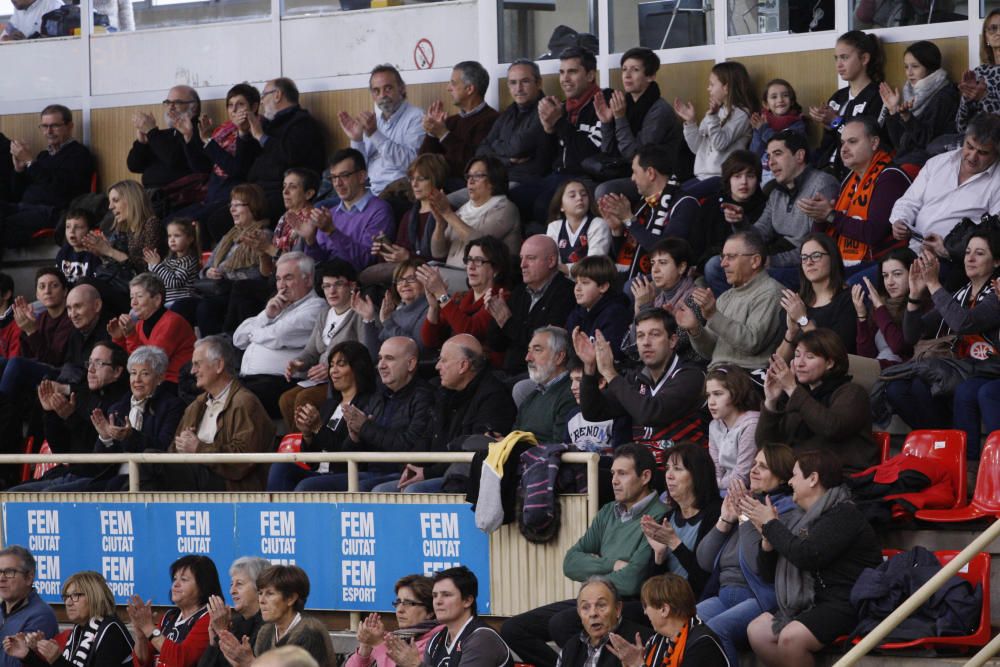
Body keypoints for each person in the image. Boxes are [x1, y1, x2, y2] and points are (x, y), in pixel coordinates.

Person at [500, 445, 668, 667]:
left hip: (632, 603)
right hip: (598, 597)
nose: (614, 481)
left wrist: (598, 569)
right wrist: (612, 564)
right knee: (513, 629)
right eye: (613, 474)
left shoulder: (659, 515)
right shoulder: (608, 511)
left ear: (645, 476)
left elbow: (631, 581)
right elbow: (570, 563)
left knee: (561, 623)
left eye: (623, 474)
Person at [744, 449, 882, 667]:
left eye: (795, 475)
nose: (789, 482)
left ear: (813, 479)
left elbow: (807, 555)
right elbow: (768, 574)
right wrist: (768, 540)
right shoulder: (801, 518)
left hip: (848, 601)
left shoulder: (843, 514)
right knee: (757, 631)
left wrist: (771, 525)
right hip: (813, 601)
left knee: (791, 637)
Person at [894, 232, 1000, 453]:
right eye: (968, 252)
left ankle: (966, 465)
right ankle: (942, 451)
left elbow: (963, 322)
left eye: (979, 253)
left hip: (985, 368)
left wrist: (933, 284)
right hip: (957, 367)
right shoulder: (960, 295)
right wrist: (914, 296)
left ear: (996, 261)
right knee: (899, 389)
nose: (970, 258)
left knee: (968, 390)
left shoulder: (995, 295)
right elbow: (913, 335)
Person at [695, 444, 799, 666]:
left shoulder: (786, 512)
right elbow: (704, 560)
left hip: (759, 596)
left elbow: (756, 566)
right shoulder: (746, 503)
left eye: (763, 466)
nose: (753, 470)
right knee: (684, 626)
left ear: (782, 477)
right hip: (724, 594)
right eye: (753, 464)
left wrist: (745, 519)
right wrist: (726, 519)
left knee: (716, 631)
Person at [371, 335, 516, 493]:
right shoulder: (443, 393)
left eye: (443, 360)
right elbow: (427, 438)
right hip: (435, 472)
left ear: (463, 365)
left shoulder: (493, 397)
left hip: (466, 480)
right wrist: (411, 466)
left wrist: (427, 473)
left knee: (413, 491)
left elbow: (476, 451)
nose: (437, 366)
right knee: (380, 490)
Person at [703, 131, 839, 294]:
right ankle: (729, 314)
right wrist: (739, 222)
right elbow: (759, 235)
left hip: (803, 266)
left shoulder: (822, 185)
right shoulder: (776, 192)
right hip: (772, 259)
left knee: (750, 276)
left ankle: (740, 315)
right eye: (768, 157)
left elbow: (816, 248)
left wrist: (771, 261)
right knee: (713, 268)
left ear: (799, 156)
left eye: (777, 154)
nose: (771, 163)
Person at [36, 346, 185, 492]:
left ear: (159, 378)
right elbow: (100, 464)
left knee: (50, 495)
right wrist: (105, 438)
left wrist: (130, 436)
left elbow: (164, 448)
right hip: (109, 480)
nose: (137, 380)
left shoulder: (172, 406)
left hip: (146, 483)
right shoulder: (119, 408)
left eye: (145, 374)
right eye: (133, 373)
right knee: (35, 494)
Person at [155, 336, 275, 492]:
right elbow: (173, 451)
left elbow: (243, 461)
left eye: (197, 364)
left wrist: (199, 448)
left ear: (219, 365)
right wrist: (182, 447)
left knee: (152, 465)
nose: (192, 371)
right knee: (146, 464)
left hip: (229, 485)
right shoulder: (195, 405)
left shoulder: (245, 402)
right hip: (193, 476)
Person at [575, 309, 706, 452]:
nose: (646, 342)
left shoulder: (691, 375)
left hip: (683, 469)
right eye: (640, 336)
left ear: (672, 341)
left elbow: (652, 413)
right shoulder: (636, 378)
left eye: (655, 335)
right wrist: (589, 368)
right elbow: (593, 412)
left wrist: (610, 373)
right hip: (645, 470)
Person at [801, 116, 910, 284]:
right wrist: (820, 218)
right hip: (842, 262)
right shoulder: (849, 180)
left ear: (874, 143)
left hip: (880, 263)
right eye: (842, 143)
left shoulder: (890, 177)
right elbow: (820, 237)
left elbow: (873, 233)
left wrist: (830, 215)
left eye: (852, 142)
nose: (843, 149)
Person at [758, 328, 876, 474]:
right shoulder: (799, 394)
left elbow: (832, 428)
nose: (799, 363)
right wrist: (771, 402)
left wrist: (792, 389)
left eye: (810, 357)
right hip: (798, 478)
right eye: (797, 355)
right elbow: (766, 447)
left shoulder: (853, 393)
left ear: (830, 363)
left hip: (841, 479)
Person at [266, 341, 377, 491]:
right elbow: (311, 462)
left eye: (341, 364)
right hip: (319, 474)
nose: (333, 371)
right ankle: (275, 512)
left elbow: (344, 455)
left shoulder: (369, 405)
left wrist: (318, 428)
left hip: (346, 475)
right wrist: (307, 435)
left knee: (306, 486)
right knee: (281, 468)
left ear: (357, 367)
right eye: (331, 365)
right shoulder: (329, 405)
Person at [889, 112, 1000, 259]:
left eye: (983, 153)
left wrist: (952, 251)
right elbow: (910, 201)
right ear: (964, 139)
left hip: (954, 262)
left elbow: (993, 236)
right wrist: (900, 220)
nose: (972, 157)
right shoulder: (939, 162)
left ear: (997, 153)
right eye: (969, 146)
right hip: (913, 249)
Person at [515, 46, 606, 225]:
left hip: (585, 178)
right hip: (557, 176)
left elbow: (588, 154)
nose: (565, 79)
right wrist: (548, 130)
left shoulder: (603, 103)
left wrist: (559, 122)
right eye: (562, 72)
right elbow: (543, 165)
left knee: (544, 205)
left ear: (590, 75)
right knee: (513, 198)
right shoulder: (562, 107)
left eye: (572, 72)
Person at [232, 252, 327, 417]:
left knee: (234, 398)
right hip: (252, 380)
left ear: (308, 279)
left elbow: (278, 336)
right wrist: (267, 315)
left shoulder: (316, 307)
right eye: (278, 279)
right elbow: (238, 339)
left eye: (288, 278)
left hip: (281, 382)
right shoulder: (278, 306)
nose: (282, 285)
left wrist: (255, 333)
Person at [676, 230, 785, 372]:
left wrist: (714, 315)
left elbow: (752, 343)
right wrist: (695, 329)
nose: (723, 264)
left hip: (746, 376)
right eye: (723, 257)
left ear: (755, 261)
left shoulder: (771, 292)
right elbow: (710, 352)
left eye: (731, 257)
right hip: (718, 375)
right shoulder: (726, 297)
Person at [278, 259, 366, 427]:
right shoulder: (324, 314)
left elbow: (366, 355)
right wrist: (298, 363)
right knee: (286, 400)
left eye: (338, 284)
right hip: (321, 381)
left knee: (305, 399)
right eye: (326, 286)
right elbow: (311, 351)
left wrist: (331, 369)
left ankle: (312, 446)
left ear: (352, 286)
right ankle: (298, 446)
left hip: (345, 381)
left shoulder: (361, 313)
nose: (331, 291)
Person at [598, 146, 700, 282]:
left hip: (668, 283)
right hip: (635, 280)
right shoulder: (644, 204)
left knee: (630, 287)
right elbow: (626, 259)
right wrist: (617, 231)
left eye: (635, 172)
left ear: (651, 173)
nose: (632, 178)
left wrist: (629, 220)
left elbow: (667, 252)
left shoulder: (685, 203)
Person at [594, 47, 683, 201]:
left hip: (654, 177)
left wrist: (620, 118)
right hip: (626, 172)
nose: (627, 75)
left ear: (651, 76)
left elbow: (635, 156)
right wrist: (606, 122)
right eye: (624, 70)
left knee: (605, 191)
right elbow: (607, 151)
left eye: (635, 70)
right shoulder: (624, 103)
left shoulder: (659, 110)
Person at [177, 83, 262, 243]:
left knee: (186, 225)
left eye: (240, 104)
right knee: (170, 221)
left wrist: (211, 142)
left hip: (231, 197)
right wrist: (189, 137)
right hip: (212, 195)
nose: (234, 110)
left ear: (255, 106)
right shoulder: (224, 130)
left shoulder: (257, 131)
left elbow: (236, 170)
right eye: (230, 105)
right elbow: (201, 168)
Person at [4, 105, 95, 247]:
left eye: (54, 126)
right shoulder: (43, 156)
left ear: (69, 126)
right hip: (26, 207)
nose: (49, 131)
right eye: (44, 126)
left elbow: (59, 191)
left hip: (56, 213)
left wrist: (30, 162)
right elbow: (17, 194)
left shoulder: (79, 154)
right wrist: (19, 170)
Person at [485, 235, 575, 377]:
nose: (522, 265)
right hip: (509, 372)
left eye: (531, 258)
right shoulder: (520, 291)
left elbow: (545, 345)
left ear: (551, 261)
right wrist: (496, 316)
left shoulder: (566, 293)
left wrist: (507, 322)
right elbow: (496, 344)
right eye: (521, 258)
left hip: (540, 376)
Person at [4, 570, 134, 667]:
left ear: (96, 596)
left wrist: (57, 660)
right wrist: (27, 655)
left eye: (76, 595)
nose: (68, 602)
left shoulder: (111, 629)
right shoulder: (79, 629)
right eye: (66, 597)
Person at [642, 443, 723, 597]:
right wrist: (659, 554)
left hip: (694, 603)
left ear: (698, 474)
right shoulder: (668, 517)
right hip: (664, 602)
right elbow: (649, 588)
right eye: (667, 468)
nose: (668, 475)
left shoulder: (716, 514)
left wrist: (674, 543)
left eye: (677, 469)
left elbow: (704, 579)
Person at [428, 156, 521, 291]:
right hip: (453, 273)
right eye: (468, 176)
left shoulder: (505, 208)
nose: (470, 181)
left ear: (494, 180)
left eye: (477, 176)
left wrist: (448, 213)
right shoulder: (463, 210)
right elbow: (438, 252)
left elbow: (480, 243)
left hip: (484, 281)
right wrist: (440, 224)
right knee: (414, 276)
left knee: (420, 278)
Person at [387, 567, 509, 667]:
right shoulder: (436, 640)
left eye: (446, 595)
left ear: (467, 600)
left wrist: (415, 665)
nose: (438, 601)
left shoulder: (482, 639)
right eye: (435, 595)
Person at [419, 236, 512, 368]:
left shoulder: (501, 298)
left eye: (479, 261)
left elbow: (470, 331)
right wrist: (434, 307)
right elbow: (429, 341)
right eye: (469, 260)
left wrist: (441, 294)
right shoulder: (460, 298)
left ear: (496, 269)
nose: (471, 266)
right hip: (452, 367)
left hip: (483, 370)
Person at [243, 78, 327, 222]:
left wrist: (261, 136)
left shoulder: (302, 123)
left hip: (283, 192)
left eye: (264, 96)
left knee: (218, 219)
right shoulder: (271, 123)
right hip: (259, 189)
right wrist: (243, 132)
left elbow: (288, 156)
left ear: (277, 95)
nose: (262, 102)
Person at [471, 59, 548, 213]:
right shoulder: (508, 112)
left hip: (525, 181)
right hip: (496, 180)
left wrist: (497, 145)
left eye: (524, 81)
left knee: (482, 208)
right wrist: (507, 159)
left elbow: (518, 148)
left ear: (538, 83)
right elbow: (481, 151)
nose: (518, 88)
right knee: (448, 202)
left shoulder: (546, 108)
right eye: (513, 83)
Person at [219, 565, 334, 667]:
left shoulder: (310, 633)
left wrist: (251, 663)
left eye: (270, 594)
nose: (262, 600)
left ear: (291, 598)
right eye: (260, 593)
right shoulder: (265, 632)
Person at [302, 148, 395, 272]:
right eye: (333, 177)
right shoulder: (331, 213)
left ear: (362, 176)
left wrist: (332, 232)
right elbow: (317, 263)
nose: (337, 183)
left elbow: (365, 261)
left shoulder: (379, 211)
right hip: (326, 283)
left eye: (344, 176)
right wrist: (310, 240)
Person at [196, 183, 272, 336]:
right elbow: (204, 269)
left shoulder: (264, 235)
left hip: (241, 291)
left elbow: (261, 275)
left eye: (238, 205)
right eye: (231, 205)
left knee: (209, 306)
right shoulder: (229, 236)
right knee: (196, 306)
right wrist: (209, 272)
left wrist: (226, 274)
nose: (232, 209)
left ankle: (224, 341)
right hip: (220, 289)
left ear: (253, 206)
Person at [82, 180, 166, 315]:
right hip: (128, 289)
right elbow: (123, 266)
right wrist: (103, 253)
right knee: (84, 289)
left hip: (145, 293)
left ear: (131, 200)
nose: (110, 207)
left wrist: (109, 251)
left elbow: (146, 271)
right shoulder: (127, 231)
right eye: (110, 201)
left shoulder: (152, 224)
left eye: (115, 200)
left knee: (86, 286)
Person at [810, 30, 886, 179]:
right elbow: (826, 144)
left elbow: (869, 141)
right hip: (825, 169)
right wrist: (826, 124)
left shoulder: (879, 96)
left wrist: (835, 122)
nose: (839, 65)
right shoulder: (838, 97)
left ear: (864, 59)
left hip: (853, 175)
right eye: (836, 58)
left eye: (844, 57)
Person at [607, 574, 727, 667]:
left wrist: (638, 664)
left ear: (664, 610)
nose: (644, 612)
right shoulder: (657, 640)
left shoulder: (703, 644)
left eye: (646, 606)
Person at [341, 64, 425, 196]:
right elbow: (360, 168)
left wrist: (375, 134)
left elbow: (412, 164)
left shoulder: (417, 117)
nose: (382, 95)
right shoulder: (374, 120)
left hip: (399, 191)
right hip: (369, 190)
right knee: (324, 206)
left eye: (388, 88)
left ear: (402, 88)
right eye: (376, 91)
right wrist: (357, 140)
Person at [675, 61, 756, 196]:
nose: (708, 89)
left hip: (722, 178)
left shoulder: (741, 114)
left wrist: (713, 118)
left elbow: (720, 144)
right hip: (702, 176)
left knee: (683, 197)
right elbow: (697, 148)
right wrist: (691, 122)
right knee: (671, 195)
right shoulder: (716, 111)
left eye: (712, 84)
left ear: (726, 87)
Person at [366, 154, 449, 285]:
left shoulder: (448, 212)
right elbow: (399, 251)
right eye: (412, 179)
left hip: (433, 276)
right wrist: (385, 251)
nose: (414, 184)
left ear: (435, 179)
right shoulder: (409, 215)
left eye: (421, 179)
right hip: (406, 274)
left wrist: (409, 257)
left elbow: (443, 259)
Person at [128, 555, 223, 667]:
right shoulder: (169, 617)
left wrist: (148, 628)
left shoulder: (209, 618)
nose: (175, 584)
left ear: (203, 586)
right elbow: (143, 661)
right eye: (174, 578)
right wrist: (141, 637)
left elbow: (181, 660)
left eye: (184, 579)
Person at [773, 234, 857, 359]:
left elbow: (836, 356)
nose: (809, 262)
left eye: (816, 256)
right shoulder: (796, 301)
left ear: (832, 258)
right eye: (804, 257)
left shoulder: (849, 300)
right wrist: (791, 333)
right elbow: (777, 363)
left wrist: (803, 320)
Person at [419, 61, 499, 188]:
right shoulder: (451, 121)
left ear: (469, 89)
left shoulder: (491, 120)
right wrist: (432, 132)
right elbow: (423, 161)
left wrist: (443, 134)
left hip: (468, 186)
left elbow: (472, 164)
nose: (448, 88)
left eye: (453, 83)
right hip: (441, 183)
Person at [108, 273, 195, 387]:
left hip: (175, 385)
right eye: (131, 297)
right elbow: (130, 363)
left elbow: (149, 365)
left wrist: (130, 335)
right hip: (151, 384)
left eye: (139, 296)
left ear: (157, 299)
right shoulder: (139, 325)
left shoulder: (172, 322)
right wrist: (119, 338)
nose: (133, 303)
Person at [880, 40, 959, 165]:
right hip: (906, 161)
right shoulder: (910, 93)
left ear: (930, 67)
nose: (909, 72)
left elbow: (926, 141)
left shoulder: (944, 97)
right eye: (906, 66)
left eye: (915, 66)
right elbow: (900, 144)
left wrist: (907, 117)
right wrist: (894, 110)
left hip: (929, 164)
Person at [690, 150, 765, 272]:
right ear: (728, 179)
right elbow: (697, 244)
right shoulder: (712, 205)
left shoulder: (765, 206)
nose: (744, 182)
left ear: (758, 180)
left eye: (750, 176)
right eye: (737, 176)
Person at [346, 575, 441, 667]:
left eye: (408, 603)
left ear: (430, 612)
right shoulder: (395, 638)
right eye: (398, 602)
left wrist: (378, 645)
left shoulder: (436, 642)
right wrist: (365, 648)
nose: (399, 610)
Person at [556, 577, 653, 667]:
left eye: (601, 605)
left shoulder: (644, 643)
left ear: (617, 609)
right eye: (585, 607)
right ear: (578, 613)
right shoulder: (570, 648)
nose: (593, 613)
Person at [126, 86, 208, 189]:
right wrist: (142, 143)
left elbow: (173, 160)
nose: (170, 107)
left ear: (194, 107)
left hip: (178, 197)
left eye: (177, 102)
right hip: (151, 194)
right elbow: (134, 166)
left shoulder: (197, 133)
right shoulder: (163, 135)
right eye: (168, 102)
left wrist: (151, 132)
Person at [198, 556, 269, 667]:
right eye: (231, 584)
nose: (232, 591)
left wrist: (222, 632)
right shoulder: (234, 623)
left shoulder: (269, 626)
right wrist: (214, 642)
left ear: (260, 588)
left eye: (239, 584)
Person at [851, 247, 916, 366]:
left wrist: (880, 308)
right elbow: (866, 356)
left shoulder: (919, 304)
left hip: (902, 374)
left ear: (912, 273)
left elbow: (898, 346)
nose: (890, 282)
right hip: (878, 371)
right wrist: (862, 317)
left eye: (897, 274)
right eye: (885, 276)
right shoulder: (881, 305)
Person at [512, 326, 576, 443]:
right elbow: (515, 435)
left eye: (537, 350)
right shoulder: (531, 398)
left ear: (559, 357)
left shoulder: (572, 392)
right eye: (529, 351)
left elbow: (559, 447)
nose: (528, 358)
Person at [357, 259, 431, 358]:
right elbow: (373, 356)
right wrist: (368, 319)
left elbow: (416, 349)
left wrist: (388, 322)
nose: (404, 284)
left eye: (411, 278)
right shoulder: (396, 313)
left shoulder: (430, 308)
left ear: (425, 280)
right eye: (400, 280)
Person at [0, 546, 58, 667]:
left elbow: (15, 663)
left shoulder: (41, 615)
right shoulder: (2, 610)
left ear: (29, 578)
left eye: (9, 572)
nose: (1, 578)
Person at [705, 364, 760, 492]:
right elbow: (715, 468)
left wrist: (711, 486)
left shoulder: (751, 424)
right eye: (708, 395)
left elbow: (742, 477)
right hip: (722, 487)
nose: (711, 402)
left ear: (735, 393)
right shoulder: (714, 425)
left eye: (718, 394)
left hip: (747, 491)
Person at [565, 256, 631, 358]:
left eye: (585, 283)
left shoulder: (615, 314)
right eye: (576, 283)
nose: (577, 288)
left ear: (603, 287)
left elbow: (611, 357)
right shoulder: (577, 312)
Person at [545, 180, 611, 275]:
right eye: (572, 196)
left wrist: (566, 269)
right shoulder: (555, 226)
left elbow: (593, 265)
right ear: (561, 206)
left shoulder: (598, 224)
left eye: (584, 194)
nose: (580, 198)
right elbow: (552, 263)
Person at [262, 168, 319, 276]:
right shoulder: (285, 217)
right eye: (284, 186)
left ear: (308, 194)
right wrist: (262, 252)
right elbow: (268, 273)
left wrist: (268, 248)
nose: (285, 191)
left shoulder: (311, 220)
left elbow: (298, 267)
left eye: (292, 187)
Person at [749, 79, 806, 186]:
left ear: (792, 101)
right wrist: (758, 130)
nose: (780, 100)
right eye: (774, 97)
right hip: (762, 176)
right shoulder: (762, 122)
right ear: (766, 104)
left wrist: (763, 129)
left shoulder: (798, 124)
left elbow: (782, 146)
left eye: (785, 95)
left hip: (786, 177)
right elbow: (754, 154)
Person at [147, 217, 201, 324]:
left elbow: (174, 282)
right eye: (169, 236)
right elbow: (159, 278)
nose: (172, 240)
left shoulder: (189, 261)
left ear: (190, 239)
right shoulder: (169, 259)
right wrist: (152, 265)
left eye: (177, 236)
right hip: (167, 302)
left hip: (181, 302)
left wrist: (157, 266)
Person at [957, 10, 1000, 134]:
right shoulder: (979, 72)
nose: (998, 32)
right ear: (986, 36)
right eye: (993, 28)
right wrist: (967, 97)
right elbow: (961, 127)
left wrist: (984, 98)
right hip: (974, 141)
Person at [57, 208, 101, 285]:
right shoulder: (64, 252)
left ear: (90, 230)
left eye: (78, 227)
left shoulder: (95, 254)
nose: (72, 231)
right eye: (68, 227)